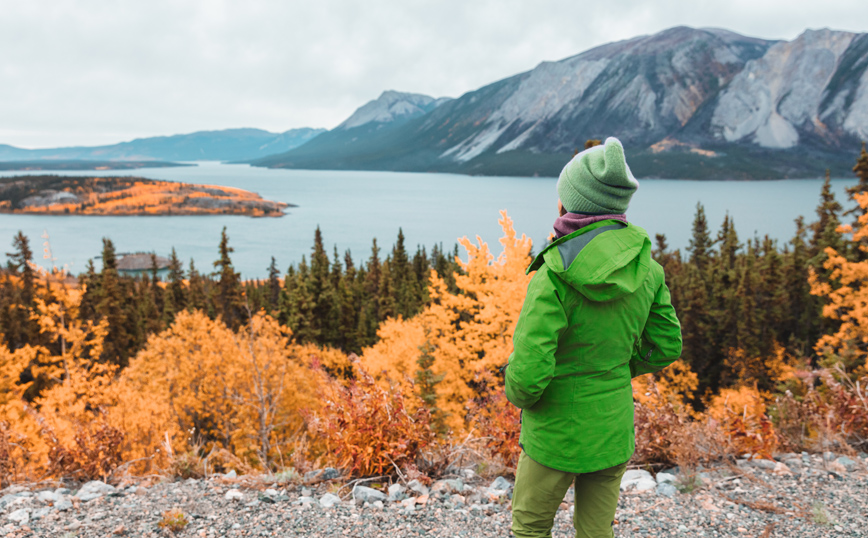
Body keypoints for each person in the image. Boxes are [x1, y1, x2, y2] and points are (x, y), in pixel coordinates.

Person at [504, 137, 682, 538]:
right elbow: (667, 346)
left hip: (555, 433)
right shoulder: (648, 270)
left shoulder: (553, 275)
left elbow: (528, 377)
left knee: (531, 527)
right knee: (596, 532)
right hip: (612, 428)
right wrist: (616, 370)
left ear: (572, 201)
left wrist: (516, 392)